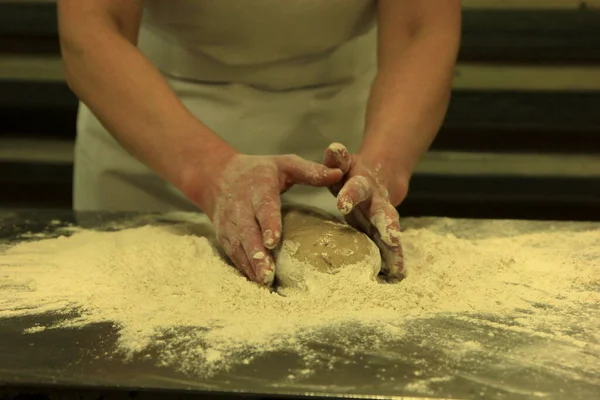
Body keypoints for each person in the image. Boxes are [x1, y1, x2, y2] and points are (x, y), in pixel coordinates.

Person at [58, 0, 461, 287]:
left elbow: (420, 28)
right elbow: (94, 27)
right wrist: (211, 174)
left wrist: (382, 163)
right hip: (152, 128)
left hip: (335, 146)